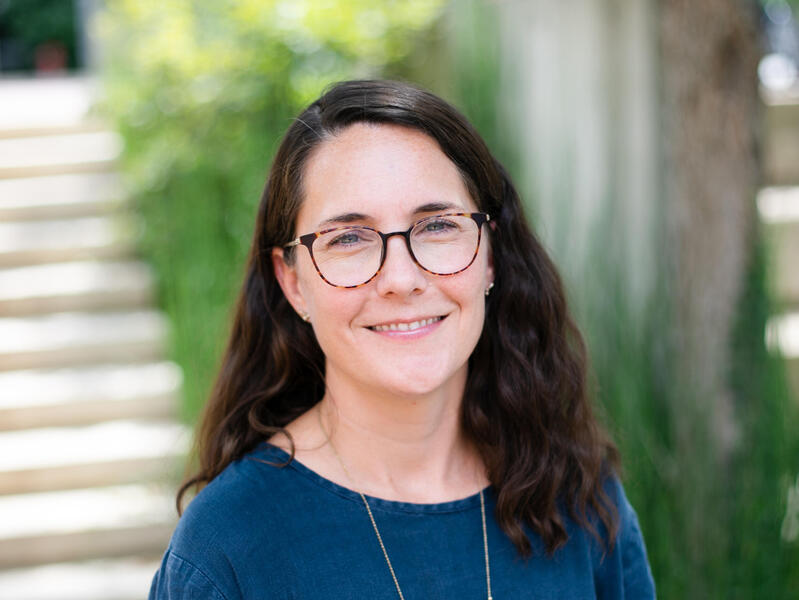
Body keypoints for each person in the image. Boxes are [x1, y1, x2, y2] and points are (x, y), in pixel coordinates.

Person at [149, 79, 655, 599]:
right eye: (348, 237)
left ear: (489, 256)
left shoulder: (581, 502)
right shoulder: (228, 547)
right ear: (293, 281)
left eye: (437, 225)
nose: (401, 278)